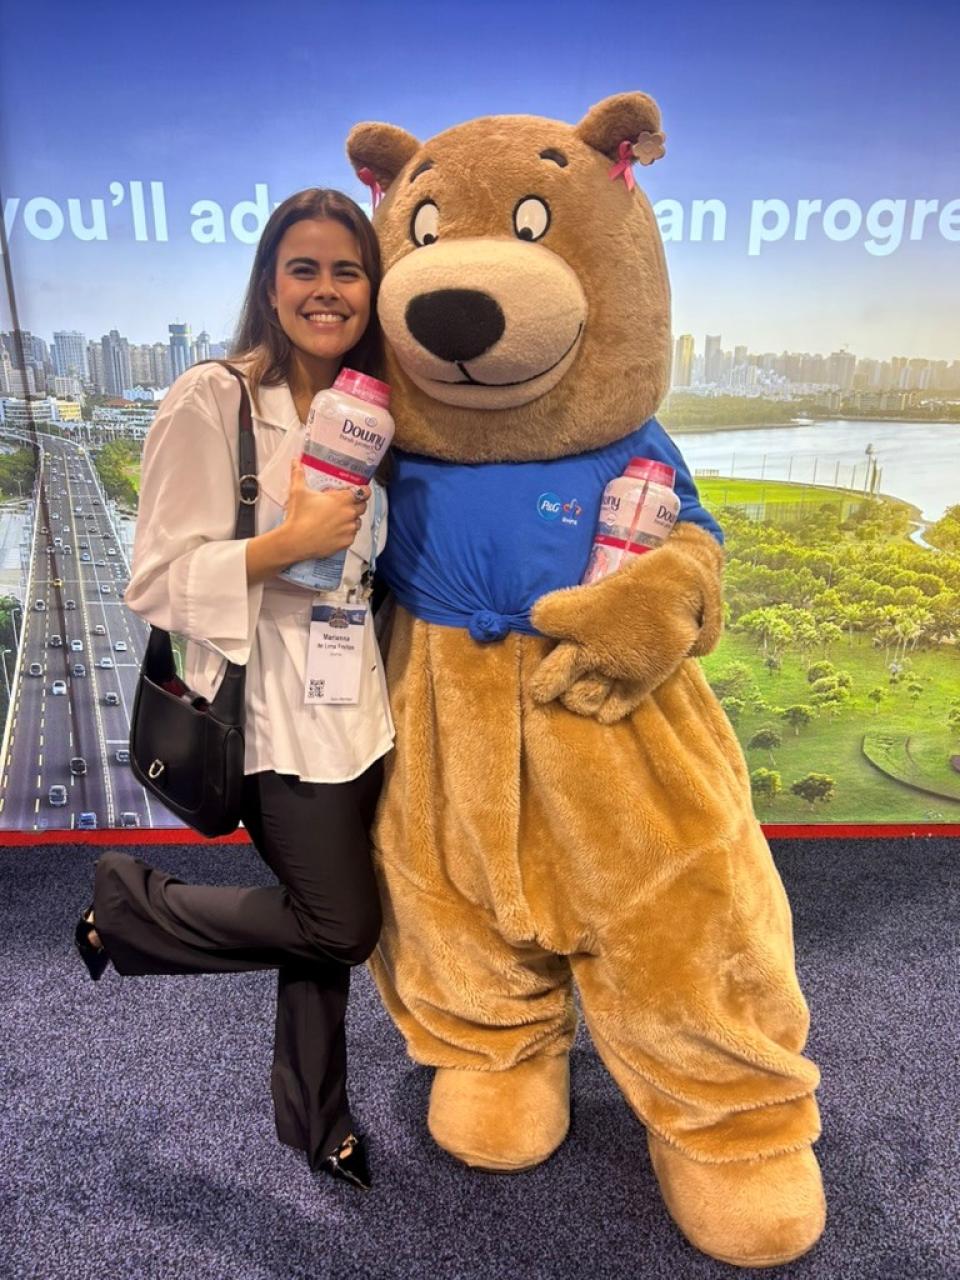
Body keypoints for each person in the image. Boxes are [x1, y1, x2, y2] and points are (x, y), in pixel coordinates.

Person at [73, 188, 394, 1190]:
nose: (327, 289)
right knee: (341, 921)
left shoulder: (373, 402)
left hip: (357, 703)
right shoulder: (213, 397)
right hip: (264, 716)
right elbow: (156, 578)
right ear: (269, 283)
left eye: (348, 270)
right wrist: (284, 545)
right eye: (305, 268)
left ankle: (316, 1117)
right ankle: (127, 909)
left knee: (319, 915)